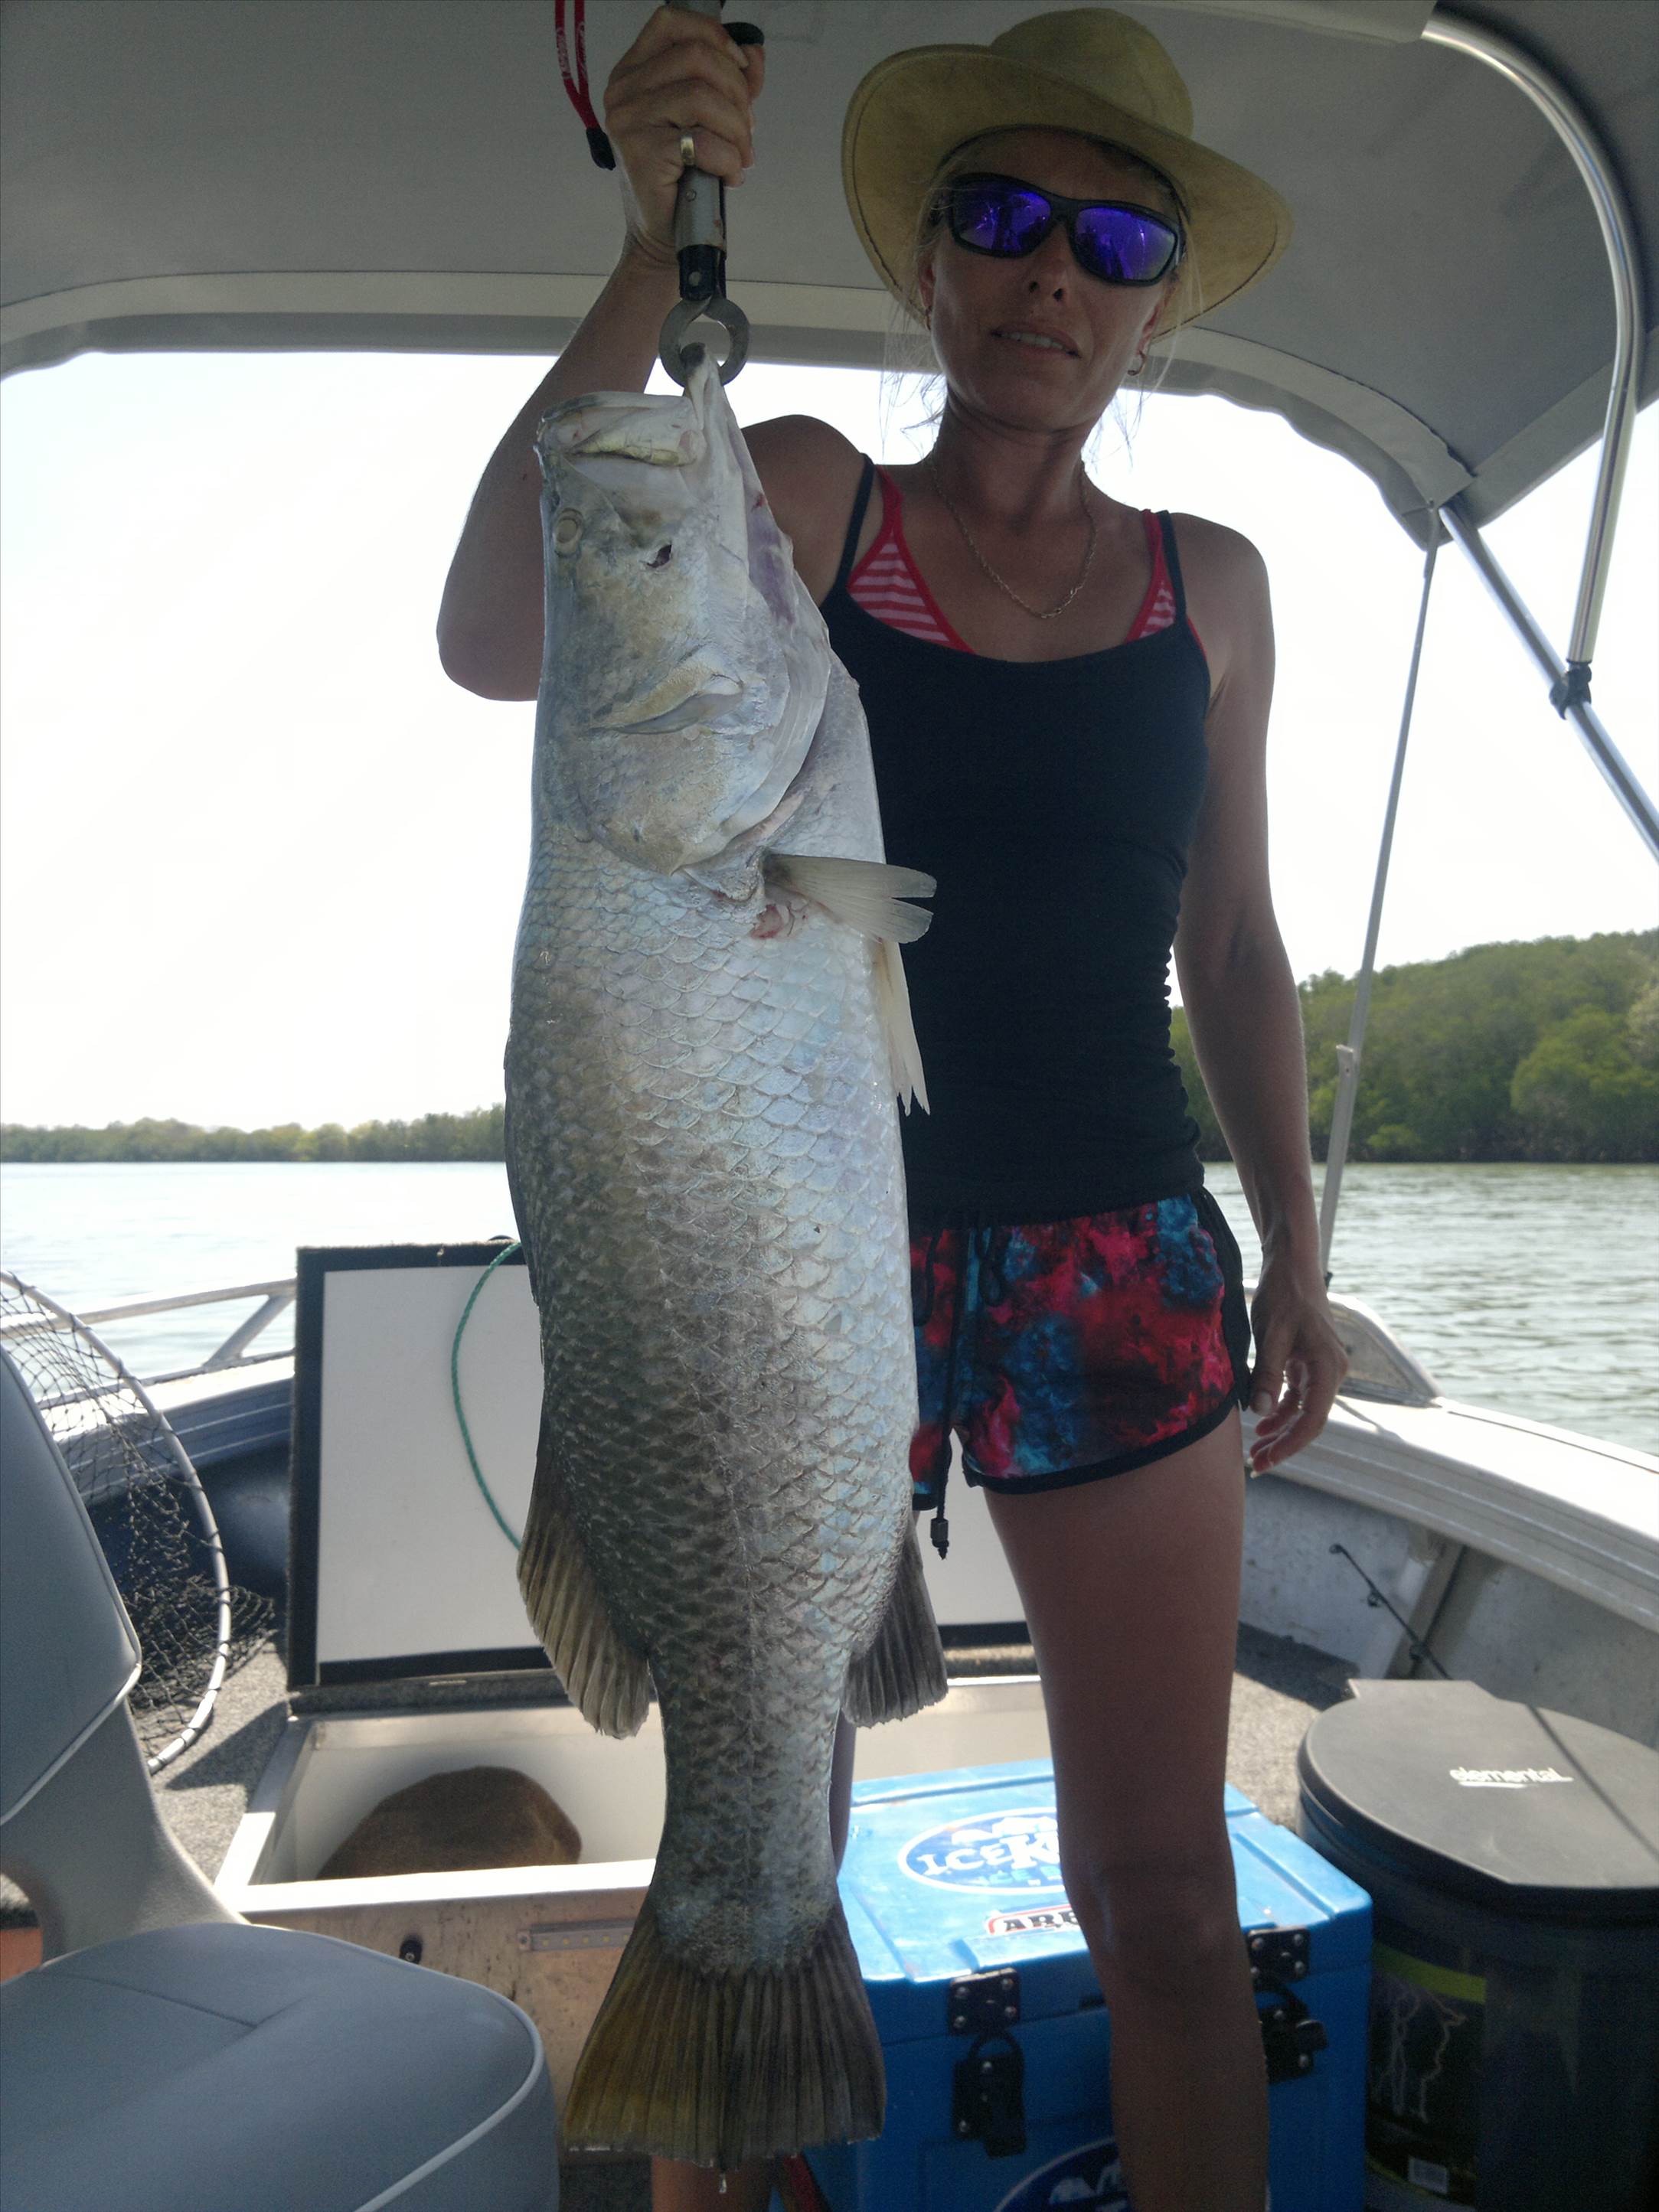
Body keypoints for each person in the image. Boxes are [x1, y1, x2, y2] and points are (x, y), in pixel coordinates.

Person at [439, 8, 1350, 2208]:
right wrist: (651, 251)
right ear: (929, 267)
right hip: (786, 1263)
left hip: (1119, 1243)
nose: (1052, 273)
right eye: (1003, 216)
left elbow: (1234, 942)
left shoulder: (1215, 586)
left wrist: (1301, 1253)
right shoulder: (799, 502)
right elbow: (499, 626)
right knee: (777, 1834)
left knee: (1168, 1896)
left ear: (1156, 303)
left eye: (1113, 240)